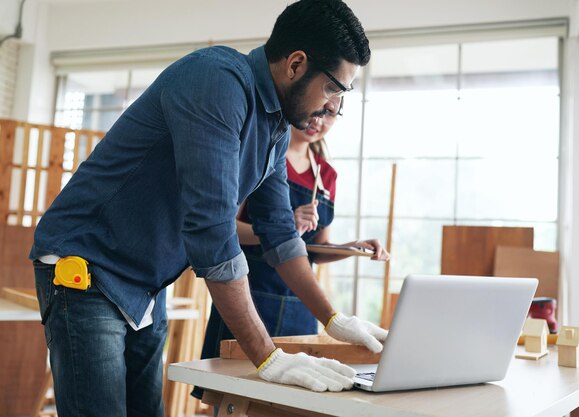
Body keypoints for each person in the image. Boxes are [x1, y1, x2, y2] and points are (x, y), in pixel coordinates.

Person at [30, 1, 388, 416]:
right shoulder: (216, 81)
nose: (332, 108)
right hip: (86, 267)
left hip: (145, 282)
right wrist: (267, 356)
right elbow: (211, 228)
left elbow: (279, 234)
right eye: (332, 89)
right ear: (295, 65)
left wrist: (333, 320)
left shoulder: (273, 124)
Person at [193, 103, 390, 399]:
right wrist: (280, 229)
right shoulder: (263, 156)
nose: (319, 119)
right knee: (233, 396)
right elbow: (225, 227)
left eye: (331, 114)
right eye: (318, 108)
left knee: (297, 397)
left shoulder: (326, 174)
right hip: (249, 292)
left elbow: (316, 249)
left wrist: (351, 248)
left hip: (301, 303)